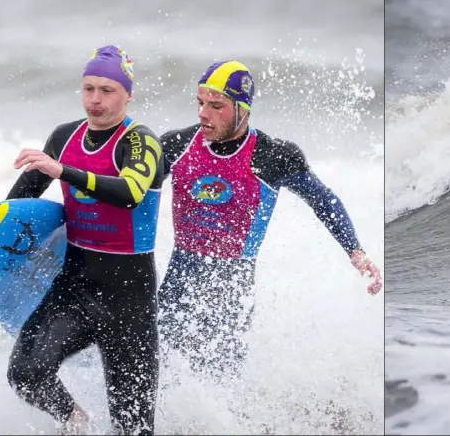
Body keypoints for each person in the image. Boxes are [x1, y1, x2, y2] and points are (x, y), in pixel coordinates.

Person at [158, 60, 383, 379]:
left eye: (216, 105)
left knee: (221, 384)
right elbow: (129, 188)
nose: (203, 114)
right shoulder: (176, 145)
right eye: (200, 103)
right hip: (179, 278)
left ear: (242, 109)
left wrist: (355, 251)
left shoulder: (271, 156)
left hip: (232, 287)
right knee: (157, 372)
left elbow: (323, 199)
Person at [5, 45, 163, 435]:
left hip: (130, 301)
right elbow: (14, 207)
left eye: (107, 90)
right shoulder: (64, 137)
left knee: (134, 430)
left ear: (128, 94)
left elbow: (130, 192)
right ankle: (75, 420)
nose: (95, 99)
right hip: (74, 289)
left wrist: (64, 171)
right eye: (88, 88)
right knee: (25, 374)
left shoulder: (141, 141)